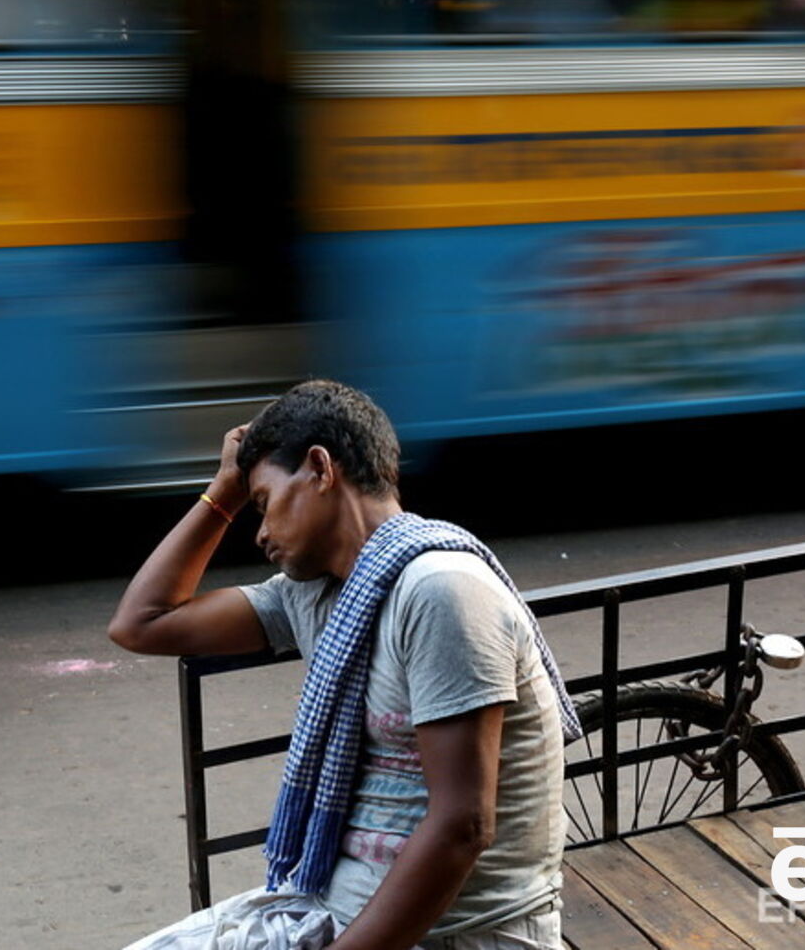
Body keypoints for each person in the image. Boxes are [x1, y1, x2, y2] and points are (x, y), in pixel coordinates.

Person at [108, 379, 580, 950]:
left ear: (320, 469)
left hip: (461, 934)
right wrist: (226, 490)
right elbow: (142, 622)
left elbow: (462, 828)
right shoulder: (316, 594)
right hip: (330, 909)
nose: (258, 532)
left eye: (262, 504)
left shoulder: (441, 592)